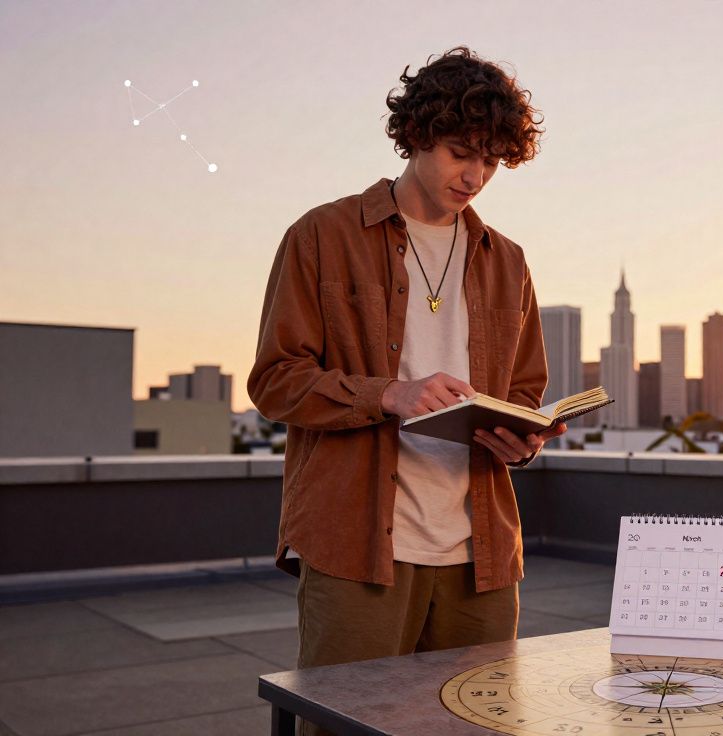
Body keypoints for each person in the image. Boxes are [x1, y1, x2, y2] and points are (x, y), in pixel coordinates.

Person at [248, 47, 563, 734]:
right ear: (417, 133)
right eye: (460, 152)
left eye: (491, 159)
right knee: (342, 724)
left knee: (477, 727)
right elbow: (275, 381)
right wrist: (388, 394)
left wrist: (523, 437)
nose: (475, 175)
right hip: (357, 547)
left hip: (481, 558)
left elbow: (526, 389)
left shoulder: (506, 261)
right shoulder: (323, 235)